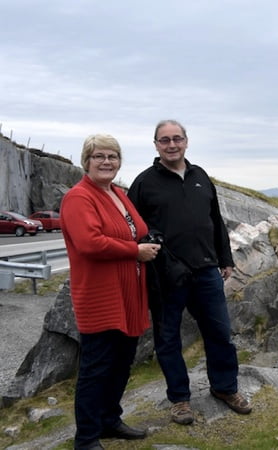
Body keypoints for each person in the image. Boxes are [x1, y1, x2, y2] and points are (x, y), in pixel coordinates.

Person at [128, 119, 251, 425]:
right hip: (166, 276)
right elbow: (131, 227)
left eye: (177, 139)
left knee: (220, 333)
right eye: (164, 140)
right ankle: (180, 400)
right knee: (168, 339)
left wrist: (226, 258)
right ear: (155, 145)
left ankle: (224, 389)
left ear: (186, 141)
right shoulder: (144, 183)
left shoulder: (200, 176)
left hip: (207, 271)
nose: (172, 145)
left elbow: (215, 220)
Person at [61, 134, 161, 450]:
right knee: (96, 367)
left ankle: (109, 420)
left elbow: (139, 229)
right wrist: (135, 251)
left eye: (113, 157)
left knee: (121, 361)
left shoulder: (117, 193)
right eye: (99, 156)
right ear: (86, 161)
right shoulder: (79, 198)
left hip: (128, 292)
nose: (107, 162)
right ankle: (86, 437)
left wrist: (149, 241)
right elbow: (90, 243)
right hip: (100, 295)